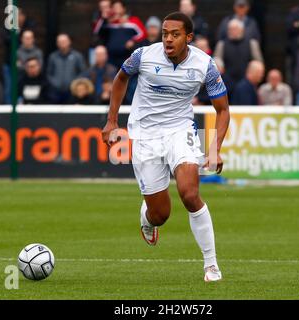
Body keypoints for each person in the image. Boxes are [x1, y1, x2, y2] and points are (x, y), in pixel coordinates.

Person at [102, 12, 230, 282]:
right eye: (164, 34)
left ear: (189, 38)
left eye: (175, 34)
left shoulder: (204, 65)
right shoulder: (143, 56)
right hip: (145, 134)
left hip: (179, 130)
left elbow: (223, 110)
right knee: (161, 214)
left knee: (189, 194)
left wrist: (215, 147)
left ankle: (211, 265)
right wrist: (112, 121)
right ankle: (148, 219)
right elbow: (121, 78)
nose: (168, 39)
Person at [214, 18, 263, 95]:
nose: (232, 31)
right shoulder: (222, 44)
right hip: (227, 82)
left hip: (247, 82)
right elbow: (216, 63)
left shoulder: (252, 43)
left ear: (242, 30)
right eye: (230, 29)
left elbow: (258, 62)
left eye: (235, 29)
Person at [97, 0, 147, 68]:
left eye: (118, 7)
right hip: (111, 58)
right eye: (114, 7)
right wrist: (103, 18)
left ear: (124, 9)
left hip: (127, 57)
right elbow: (97, 32)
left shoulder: (133, 20)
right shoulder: (109, 22)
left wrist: (133, 40)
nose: (116, 9)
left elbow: (143, 33)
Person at [46, 34, 87, 104]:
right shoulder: (53, 57)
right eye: (60, 42)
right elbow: (48, 73)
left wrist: (74, 83)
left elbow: (82, 72)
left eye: (64, 41)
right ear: (57, 44)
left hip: (72, 92)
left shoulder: (77, 56)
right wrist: (55, 83)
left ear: (69, 42)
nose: (62, 43)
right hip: (55, 92)